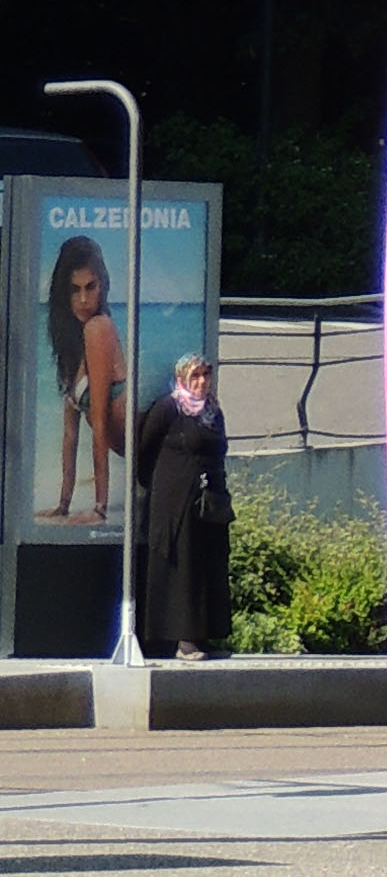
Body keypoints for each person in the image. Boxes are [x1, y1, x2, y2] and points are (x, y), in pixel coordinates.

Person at [130, 353, 230, 658]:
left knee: (207, 564)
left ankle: (204, 635)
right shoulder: (168, 408)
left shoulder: (213, 411)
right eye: (194, 376)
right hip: (175, 503)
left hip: (208, 503)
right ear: (182, 378)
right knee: (182, 567)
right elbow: (144, 451)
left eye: (205, 375)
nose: (201, 382)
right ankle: (182, 641)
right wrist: (164, 484)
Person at [41, 236, 126, 523]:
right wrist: (63, 505)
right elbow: (70, 436)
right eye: (74, 290)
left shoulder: (98, 328)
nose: (84, 300)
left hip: (144, 443)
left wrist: (100, 508)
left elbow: (100, 423)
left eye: (91, 287)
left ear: (103, 286)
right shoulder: (73, 347)